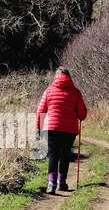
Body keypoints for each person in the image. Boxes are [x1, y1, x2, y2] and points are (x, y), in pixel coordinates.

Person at [35, 67, 88, 195]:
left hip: (51, 129)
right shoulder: (75, 92)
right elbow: (82, 114)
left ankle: (51, 184)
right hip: (69, 130)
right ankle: (61, 183)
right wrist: (78, 115)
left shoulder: (49, 91)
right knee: (64, 155)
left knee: (53, 155)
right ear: (69, 77)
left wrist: (39, 127)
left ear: (56, 77)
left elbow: (40, 111)